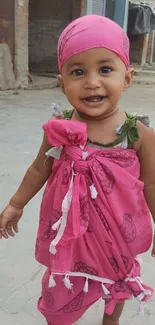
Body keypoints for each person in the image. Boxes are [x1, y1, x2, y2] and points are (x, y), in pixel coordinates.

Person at [0, 15, 155, 325]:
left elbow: (151, 183)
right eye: (78, 72)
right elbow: (38, 168)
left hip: (117, 233)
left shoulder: (138, 134)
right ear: (62, 83)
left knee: (118, 280)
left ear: (127, 78)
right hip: (69, 234)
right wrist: (16, 203)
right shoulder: (60, 129)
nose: (92, 82)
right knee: (58, 292)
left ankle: (111, 320)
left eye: (106, 69)